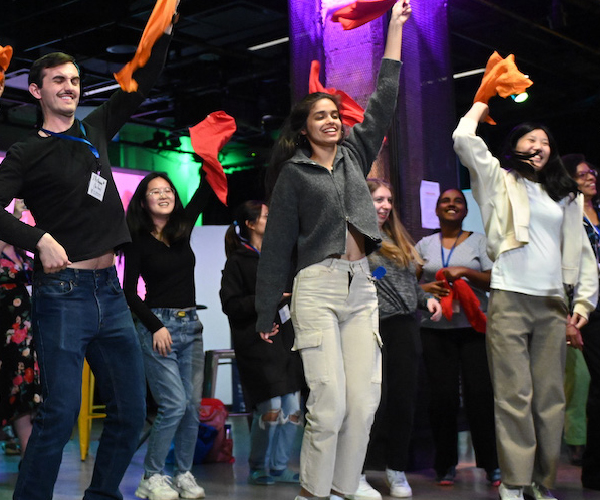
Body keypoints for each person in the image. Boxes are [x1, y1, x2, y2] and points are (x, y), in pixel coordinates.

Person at [0, 18, 174, 500]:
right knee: (58, 414)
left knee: (132, 411)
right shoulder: (25, 152)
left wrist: (165, 29)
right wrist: (37, 238)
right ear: (36, 90)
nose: (70, 87)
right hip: (63, 294)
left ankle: (101, 495)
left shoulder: (95, 127)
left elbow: (143, 83)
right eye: (58, 80)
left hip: (111, 294)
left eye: (75, 80)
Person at [254, 3, 412, 499]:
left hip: (361, 285)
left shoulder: (355, 154)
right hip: (316, 288)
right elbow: (277, 246)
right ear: (304, 129)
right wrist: (265, 311)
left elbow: (384, 98)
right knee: (330, 405)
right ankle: (313, 493)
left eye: (335, 115)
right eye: (320, 116)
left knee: (364, 403)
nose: (331, 120)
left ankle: (346, 488)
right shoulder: (293, 177)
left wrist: (394, 31)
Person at [452, 101, 598, 500]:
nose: (540, 145)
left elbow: (582, 252)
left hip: (552, 303)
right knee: (515, 395)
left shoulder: (565, 196)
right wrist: (481, 103)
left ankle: (542, 481)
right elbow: (463, 139)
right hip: (509, 299)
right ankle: (514, 482)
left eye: (546, 141)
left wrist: (583, 304)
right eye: (531, 139)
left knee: (550, 399)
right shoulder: (498, 181)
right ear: (515, 146)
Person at [349, 179, 441, 500]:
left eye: (388, 199)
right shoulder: (356, 238)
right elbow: (358, 282)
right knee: (372, 402)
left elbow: (406, 284)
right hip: (371, 328)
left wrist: (424, 300)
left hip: (404, 328)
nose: (385, 205)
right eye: (378, 199)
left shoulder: (395, 238)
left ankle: (396, 468)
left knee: (404, 400)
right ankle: (355, 471)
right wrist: (376, 279)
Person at [124, 172, 209, 500]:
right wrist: (155, 326)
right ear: (144, 201)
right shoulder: (137, 240)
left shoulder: (181, 229)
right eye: (154, 191)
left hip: (192, 326)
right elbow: (129, 292)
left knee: (192, 407)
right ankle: (152, 475)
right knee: (174, 403)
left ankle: (184, 473)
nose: (163, 195)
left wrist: (208, 156)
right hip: (158, 326)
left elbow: (206, 190)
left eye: (168, 190)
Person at [415, 188, 500, 487]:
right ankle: (445, 465)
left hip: (475, 329)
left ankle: (492, 465)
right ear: (436, 211)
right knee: (443, 399)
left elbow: (495, 277)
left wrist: (464, 272)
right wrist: (426, 290)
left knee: (480, 397)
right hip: (435, 330)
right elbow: (406, 282)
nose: (451, 205)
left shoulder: (479, 240)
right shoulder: (423, 244)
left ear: (465, 210)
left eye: (458, 201)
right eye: (445, 202)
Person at [220, 200, 304, 487]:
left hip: (285, 340)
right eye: (267, 216)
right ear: (251, 224)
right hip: (255, 343)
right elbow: (230, 304)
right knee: (270, 407)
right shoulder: (237, 261)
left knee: (293, 407)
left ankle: (280, 466)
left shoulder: (279, 255)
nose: (273, 220)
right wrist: (267, 300)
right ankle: (258, 466)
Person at [562, 154, 600, 490]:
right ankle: (591, 465)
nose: (591, 177)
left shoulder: (597, 211)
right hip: (582, 308)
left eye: (592, 172)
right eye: (583, 173)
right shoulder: (568, 213)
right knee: (588, 384)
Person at [0, 200, 40, 458]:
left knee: (26, 402)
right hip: (5, 337)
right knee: (8, 397)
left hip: (28, 337)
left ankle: (31, 471)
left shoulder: (21, 249)